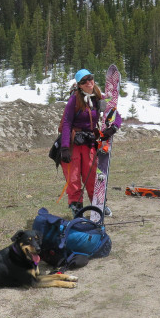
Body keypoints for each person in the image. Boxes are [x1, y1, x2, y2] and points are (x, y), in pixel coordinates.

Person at [60, 68, 122, 217]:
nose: (89, 82)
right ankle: (76, 207)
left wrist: (113, 127)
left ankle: (99, 205)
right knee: (73, 177)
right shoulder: (74, 99)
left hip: (90, 142)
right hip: (74, 142)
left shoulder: (98, 97)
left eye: (90, 78)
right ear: (79, 85)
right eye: (84, 81)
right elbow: (67, 123)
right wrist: (64, 147)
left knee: (93, 175)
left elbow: (115, 113)